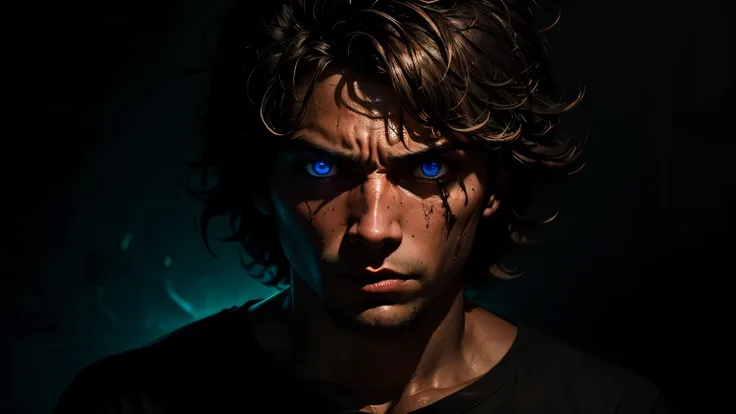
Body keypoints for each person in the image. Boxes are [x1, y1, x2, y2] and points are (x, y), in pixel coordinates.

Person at [55, 1, 677, 413]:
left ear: (496, 185)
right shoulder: (129, 405)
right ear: (258, 182)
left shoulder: (608, 409)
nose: (374, 227)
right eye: (323, 168)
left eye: (429, 167)